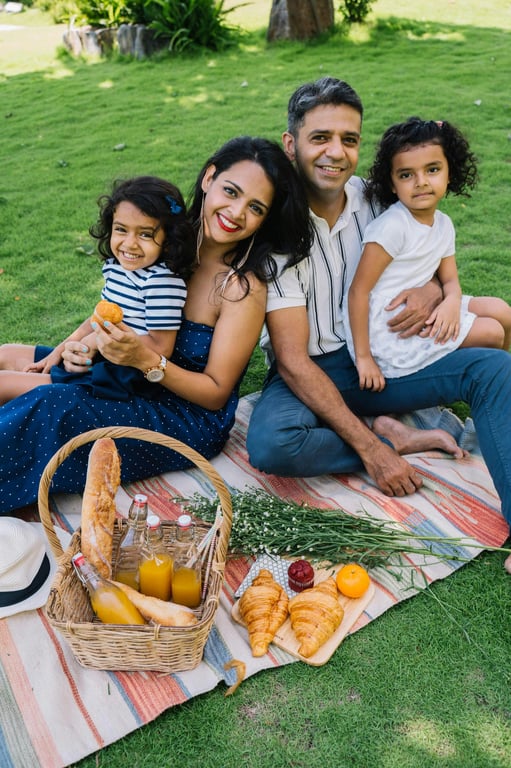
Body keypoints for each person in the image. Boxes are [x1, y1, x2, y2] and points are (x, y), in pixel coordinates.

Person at [246, 77, 511, 545]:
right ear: (292, 144)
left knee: (495, 367)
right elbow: (291, 359)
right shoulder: (276, 231)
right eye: (320, 138)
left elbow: (419, 250)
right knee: (272, 443)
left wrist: (432, 291)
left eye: (348, 139)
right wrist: (374, 451)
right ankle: (390, 435)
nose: (335, 152)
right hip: (311, 366)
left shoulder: (377, 198)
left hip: (384, 352)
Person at [0, 136, 312, 514]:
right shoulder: (162, 236)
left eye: (255, 207)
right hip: (124, 373)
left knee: (51, 406)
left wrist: (145, 361)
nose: (236, 212)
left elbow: (215, 394)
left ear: (265, 219)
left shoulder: (240, 287)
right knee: (8, 356)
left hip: (180, 414)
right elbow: (116, 303)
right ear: (209, 177)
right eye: (230, 191)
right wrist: (68, 345)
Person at [346, 116, 511, 392]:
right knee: (491, 331)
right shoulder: (392, 227)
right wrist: (364, 358)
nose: (421, 182)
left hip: (428, 308)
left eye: (432, 169)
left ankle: (499, 386)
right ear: (392, 183)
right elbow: (358, 293)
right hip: (389, 330)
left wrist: (450, 303)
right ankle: (477, 383)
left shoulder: (444, 224)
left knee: (502, 311)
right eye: (406, 175)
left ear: (450, 172)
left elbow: (450, 281)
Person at [0, 176, 195, 404]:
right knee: (5, 352)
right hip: (98, 359)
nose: (130, 243)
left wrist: (97, 341)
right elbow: (98, 319)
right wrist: (57, 353)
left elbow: (162, 347)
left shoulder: (162, 282)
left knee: (3, 384)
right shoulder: (117, 268)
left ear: (169, 240)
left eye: (145, 234)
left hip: (120, 378)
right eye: (121, 229)